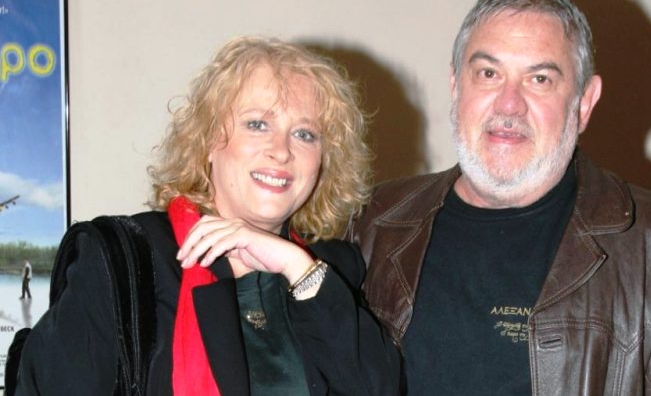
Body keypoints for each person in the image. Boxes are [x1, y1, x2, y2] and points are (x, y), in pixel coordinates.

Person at [348, 0, 651, 395]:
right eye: (488, 73)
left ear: (584, 103)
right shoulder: (373, 225)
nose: (509, 104)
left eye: (540, 79)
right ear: (456, 87)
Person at [17, 36, 400, 395]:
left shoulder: (328, 272)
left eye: (305, 134)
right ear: (210, 141)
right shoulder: (126, 261)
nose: (282, 151)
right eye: (257, 124)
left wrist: (295, 266)